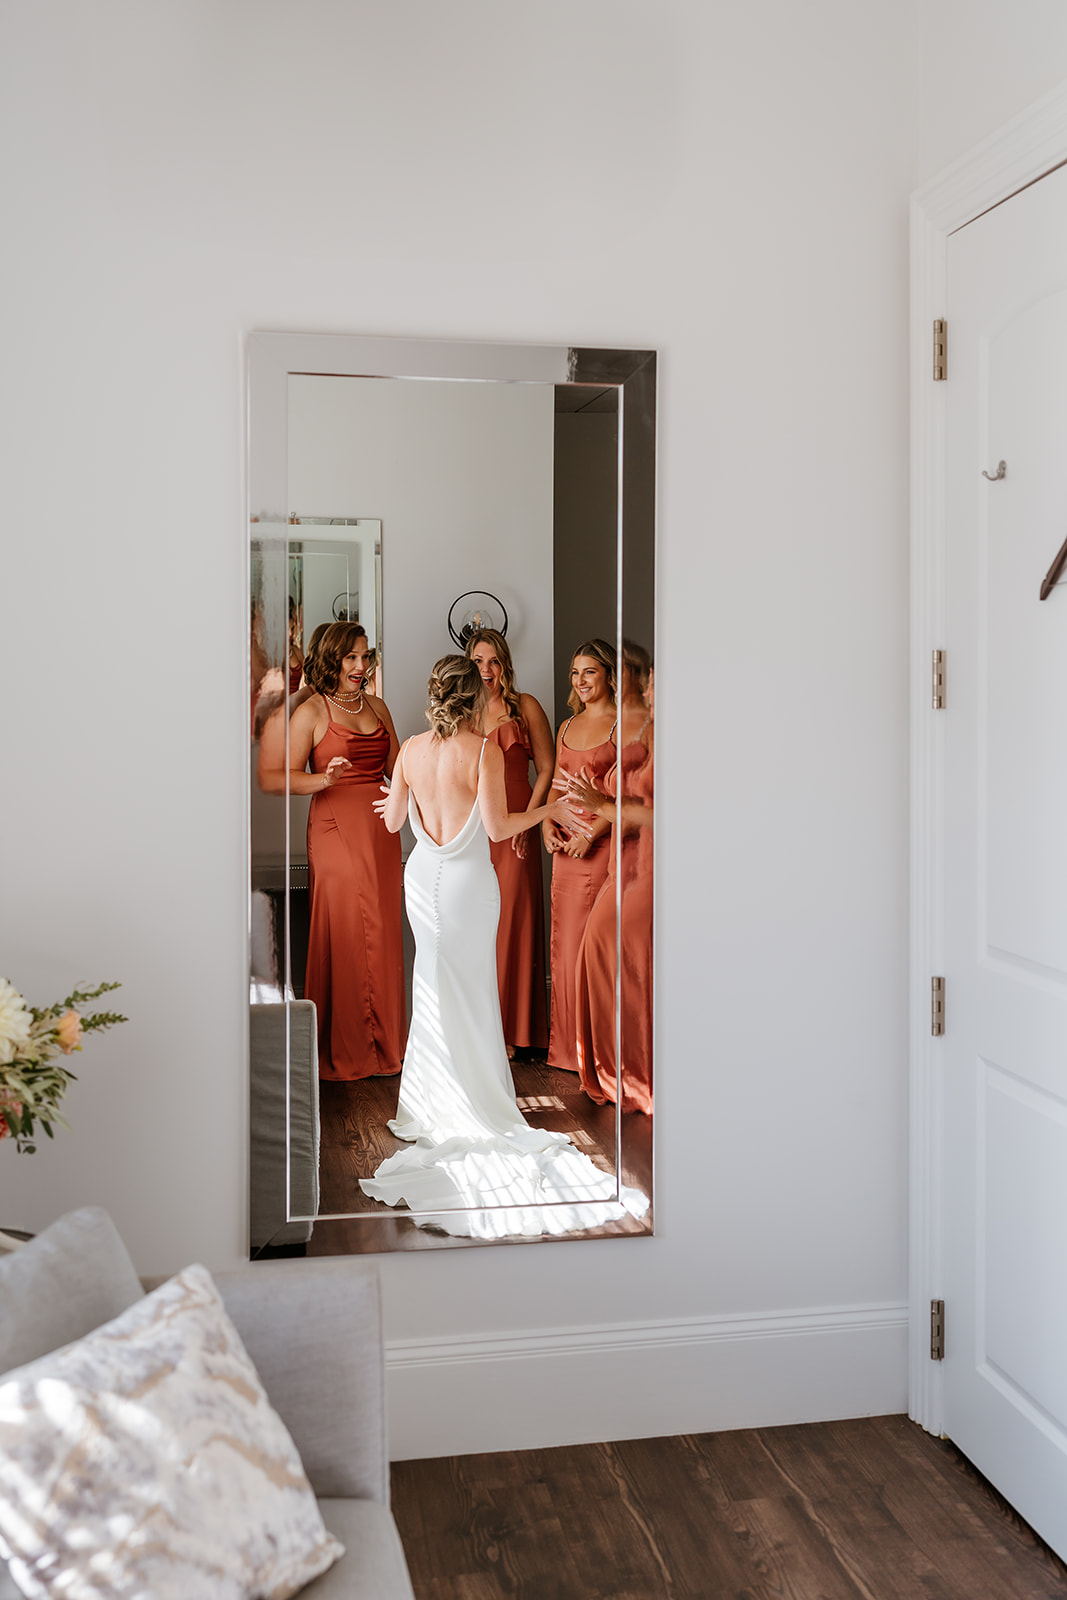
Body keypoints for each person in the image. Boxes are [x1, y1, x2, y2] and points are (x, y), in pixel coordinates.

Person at [359, 655, 648, 1239]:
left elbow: (391, 824)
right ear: (472, 701)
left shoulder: (411, 749)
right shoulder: (484, 753)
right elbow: (496, 829)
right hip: (466, 885)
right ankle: (477, 1097)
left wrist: (398, 799)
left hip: (422, 879)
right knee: (471, 988)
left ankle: (426, 1102)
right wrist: (549, 808)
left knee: (432, 984)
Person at [258, 620, 406, 1081]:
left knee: (382, 931)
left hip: (382, 829)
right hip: (334, 828)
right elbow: (272, 778)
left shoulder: (378, 706)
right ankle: (349, 1046)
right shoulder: (313, 711)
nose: (361, 666)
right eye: (351, 658)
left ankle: (386, 1047)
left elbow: (399, 770)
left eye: (366, 656)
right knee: (346, 928)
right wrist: (323, 780)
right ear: (333, 660)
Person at [566, 661, 654, 1115]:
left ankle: (636, 1073)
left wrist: (602, 809)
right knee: (598, 952)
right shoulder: (640, 732)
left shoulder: (650, 732)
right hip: (625, 857)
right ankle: (615, 1068)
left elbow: (659, 812)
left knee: (613, 951)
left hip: (649, 859)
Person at [466, 628, 553, 1055]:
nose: (487, 670)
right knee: (479, 925)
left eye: (494, 661)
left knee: (513, 921)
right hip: (477, 826)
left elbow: (548, 767)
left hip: (519, 825)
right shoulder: (462, 712)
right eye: (479, 661)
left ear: (505, 665)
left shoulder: (526, 707)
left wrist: (529, 824)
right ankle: (483, 1032)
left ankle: (515, 1033)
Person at [544, 638, 618, 1073]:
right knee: (566, 948)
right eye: (575, 672)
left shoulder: (622, 726)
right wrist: (549, 825)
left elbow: (628, 792)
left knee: (596, 950)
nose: (581, 680)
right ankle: (569, 1052)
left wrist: (589, 835)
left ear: (608, 674)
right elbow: (556, 781)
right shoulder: (567, 725)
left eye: (589, 671)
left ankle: (601, 1053)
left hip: (601, 848)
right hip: (565, 852)